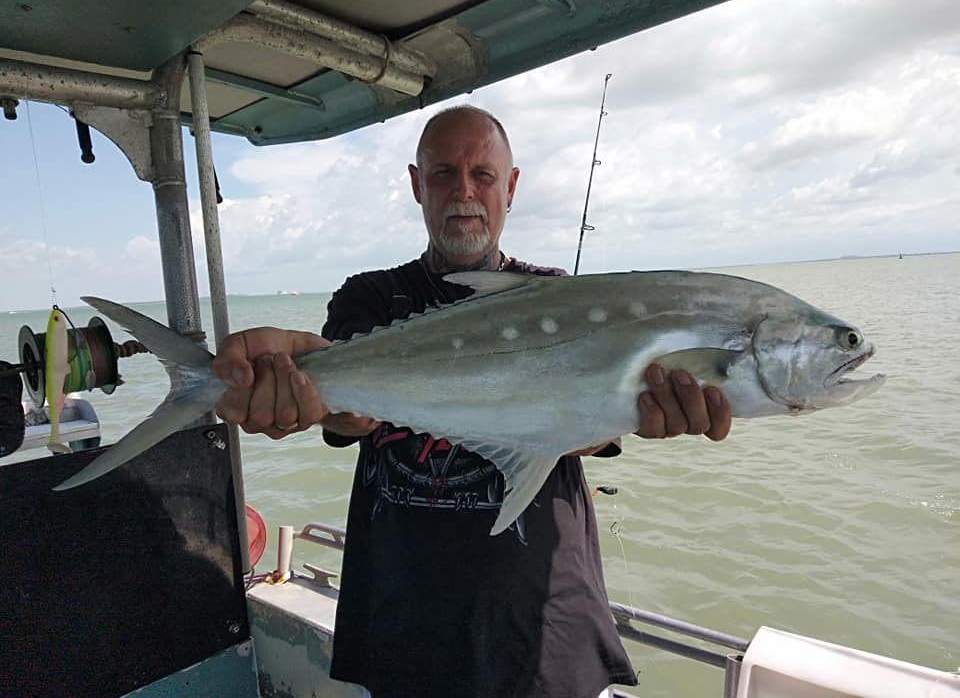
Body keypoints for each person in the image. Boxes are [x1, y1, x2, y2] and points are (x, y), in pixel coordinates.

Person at [214, 106, 732, 698]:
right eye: (443, 174)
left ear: (510, 187)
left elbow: (593, 432)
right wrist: (298, 386)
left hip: (544, 624)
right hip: (405, 622)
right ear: (416, 184)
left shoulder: (562, 297)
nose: (464, 192)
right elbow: (349, 415)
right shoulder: (371, 297)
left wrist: (645, 407)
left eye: (483, 175)